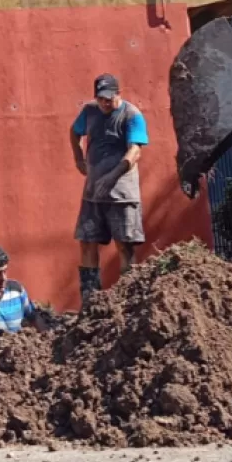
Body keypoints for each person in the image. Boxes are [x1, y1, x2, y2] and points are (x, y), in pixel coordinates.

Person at [69, 73, 149, 307]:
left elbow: (135, 151)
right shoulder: (90, 111)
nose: (104, 103)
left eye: (108, 98)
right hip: (93, 193)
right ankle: (90, 300)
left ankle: (129, 302)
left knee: (125, 245)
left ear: (118, 94)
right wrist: (78, 159)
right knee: (86, 241)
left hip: (122, 195)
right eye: (100, 98)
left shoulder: (131, 115)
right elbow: (74, 132)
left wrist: (113, 176)